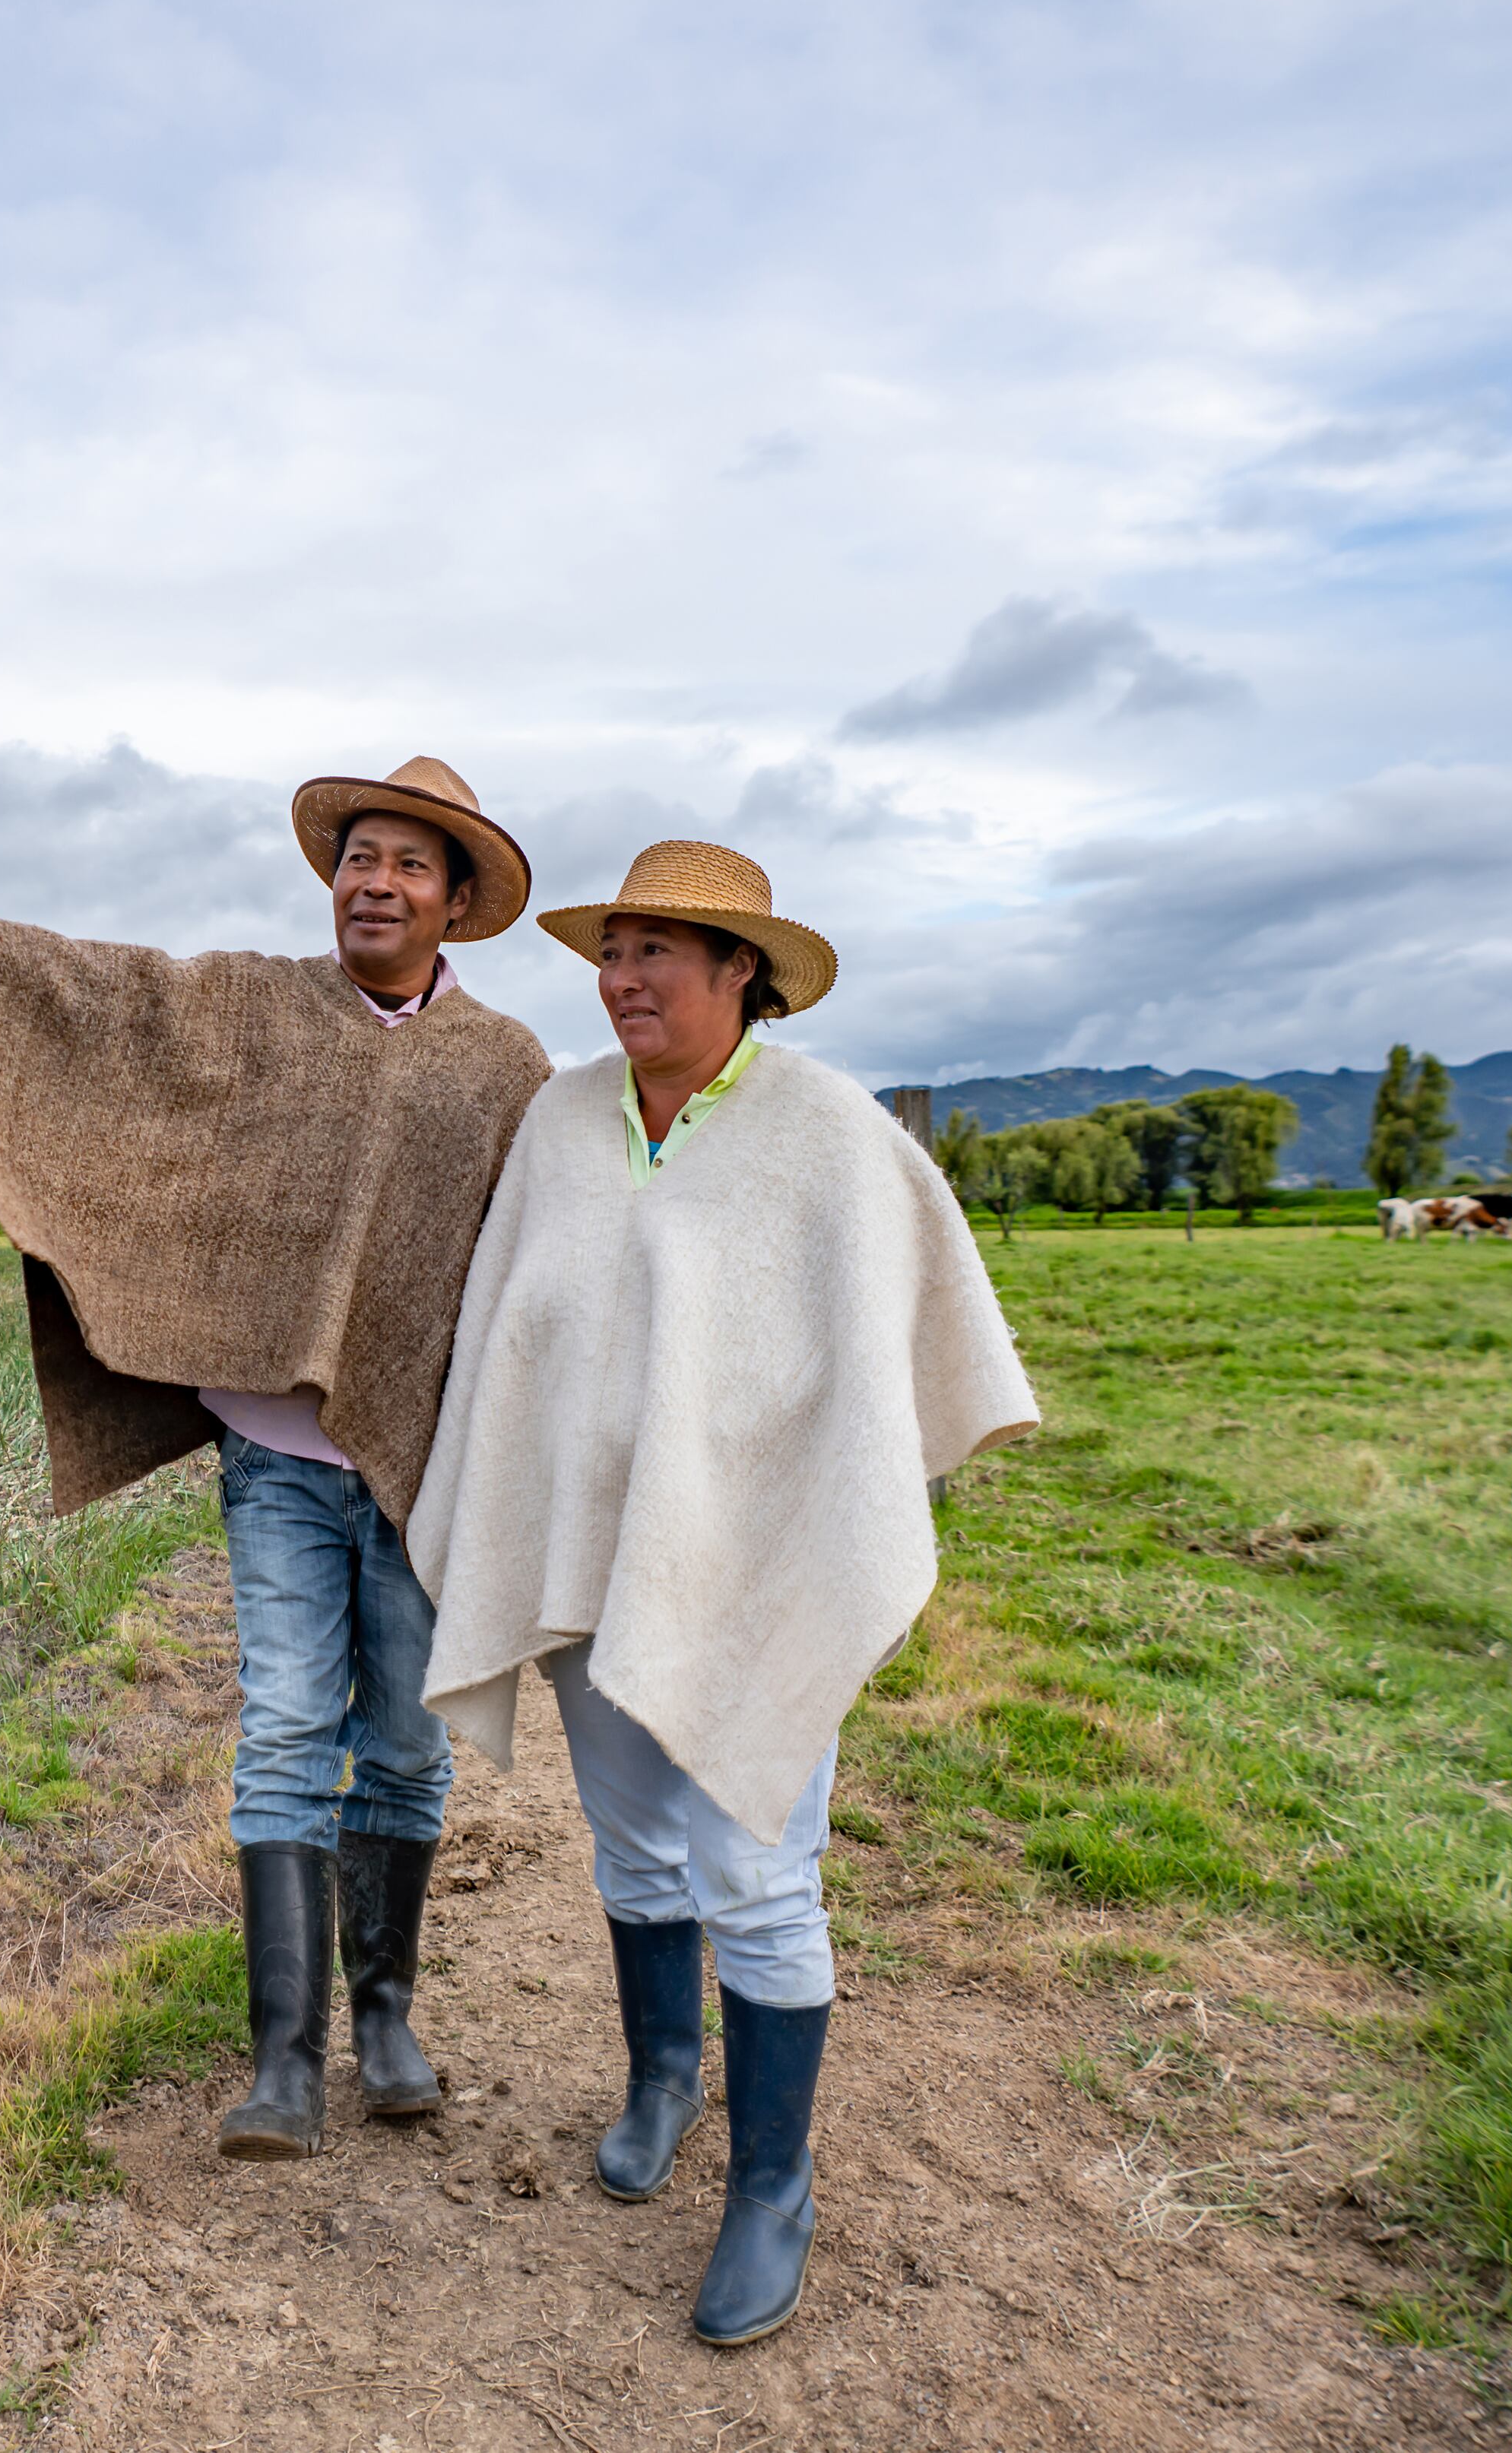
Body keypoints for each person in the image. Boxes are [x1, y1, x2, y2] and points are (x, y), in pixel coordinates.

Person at [0, 760, 552, 2158]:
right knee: (292, 1726)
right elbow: (102, 1004)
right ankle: (287, 2064)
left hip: (425, 1468)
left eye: (411, 866)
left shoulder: (505, 1069)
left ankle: (385, 2018)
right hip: (276, 1466)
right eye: (360, 856)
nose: (377, 880)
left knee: (410, 1746)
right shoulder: (252, 1004)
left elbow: (555, 1250)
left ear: (458, 900)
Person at [407, 840, 1036, 2345]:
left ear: (737, 968)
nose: (621, 980)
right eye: (609, 954)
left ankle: (771, 2185)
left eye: (653, 955)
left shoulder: (827, 1132)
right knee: (632, 1854)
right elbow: (518, 1327)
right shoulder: (563, 1120)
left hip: (751, 1569)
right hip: (594, 1557)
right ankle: (661, 2082)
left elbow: (899, 1342)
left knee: (753, 1872)